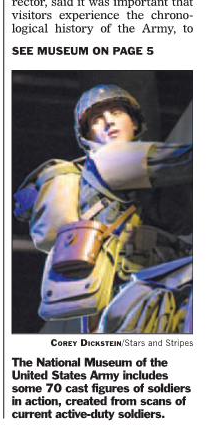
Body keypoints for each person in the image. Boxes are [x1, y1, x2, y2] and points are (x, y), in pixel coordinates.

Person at [14, 84, 192, 333]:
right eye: (97, 119)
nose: (109, 122)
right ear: (87, 136)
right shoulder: (110, 160)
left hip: (133, 294)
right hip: (138, 294)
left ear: (134, 122)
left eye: (117, 113)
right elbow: (188, 160)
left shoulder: (123, 176)